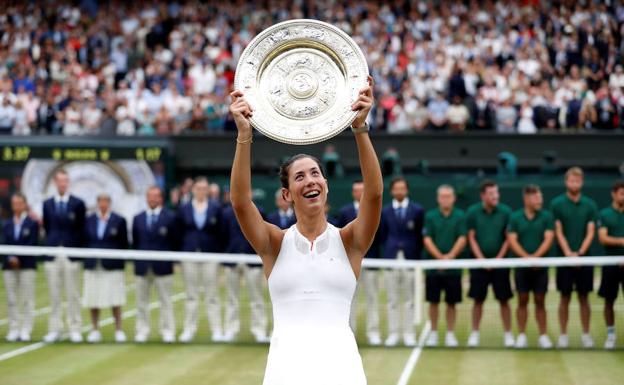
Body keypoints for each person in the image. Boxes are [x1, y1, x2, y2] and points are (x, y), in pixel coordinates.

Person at [229, 75, 382, 385]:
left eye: (316, 173)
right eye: (299, 177)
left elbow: (374, 194)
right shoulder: (274, 243)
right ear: (287, 195)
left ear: (325, 185)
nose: (311, 180)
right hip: (285, 373)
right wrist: (244, 136)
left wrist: (360, 128)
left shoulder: (350, 241)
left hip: (342, 372)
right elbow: (241, 201)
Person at [550, 167, 598, 348]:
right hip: (564, 259)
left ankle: (586, 335)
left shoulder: (590, 205)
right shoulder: (556, 204)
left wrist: (580, 254)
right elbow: (558, 231)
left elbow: (591, 231)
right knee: (564, 297)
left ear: (582, 182)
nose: (574, 184)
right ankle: (563, 335)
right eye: (571, 181)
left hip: (584, 259)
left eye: (577, 181)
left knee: (584, 297)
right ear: (566, 182)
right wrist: (569, 254)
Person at [466, 180, 514, 348]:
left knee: (504, 300)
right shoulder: (473, 212)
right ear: (483, 195)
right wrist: (482, 260)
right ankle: (474, 334)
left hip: (500, 265)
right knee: (478, 301)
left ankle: (508, 334)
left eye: (497, 193)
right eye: (492, 193)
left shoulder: (506, 212)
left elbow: (508, 238)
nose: (495, 196)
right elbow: (471, 237)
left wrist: (498, 260)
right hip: (480, 266)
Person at [177, 177, 225, 343]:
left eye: (204, 188)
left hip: (210, 255)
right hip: (189, 255)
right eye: (198, 188)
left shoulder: (216, 208)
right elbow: (179, 232)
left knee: (212, 295)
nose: (201, 191)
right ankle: (189, 330)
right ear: (193, 190)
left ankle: (217, 330)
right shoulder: (183, 208)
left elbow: (221, 232)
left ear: (208, 191)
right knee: (191, 294)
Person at [506, 185, 554, 349]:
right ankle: (521, 335)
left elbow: (548, 238)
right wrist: (526, 258)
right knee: (522, 300)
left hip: (540, 267)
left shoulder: (547, 216)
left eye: (540, 197)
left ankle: (543, 336)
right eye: (536, 197)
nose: (539, 200)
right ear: (526, 199)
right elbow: (512, 240)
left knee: (540, 300)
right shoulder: (515, 217)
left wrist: (536, 258)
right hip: (521, 267)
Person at [42, 169, 86, 343]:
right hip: (52, 253)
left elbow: (81, 228)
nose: (63, 184)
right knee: (54, 294)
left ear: (68, 183)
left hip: (71, 254)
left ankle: (75, 328)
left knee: (73, 293)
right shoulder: (47, 204)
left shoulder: (78, 204)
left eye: (65, 181)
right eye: (60, 181)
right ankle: (55, 329)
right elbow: (47, 226)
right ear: (55, 182)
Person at [379, 176, 424, 347]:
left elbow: (419, 235)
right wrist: (391, 247)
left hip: (410, 258)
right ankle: (393, 334)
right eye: (396, 188)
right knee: (391, 299)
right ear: (392, 191)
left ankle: (409, 334)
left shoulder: (417, 210)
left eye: (402, 188)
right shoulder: (385, 211)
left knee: (410, 299)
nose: (399, 191)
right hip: (391, 258)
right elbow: (382, 235)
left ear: (407, 190)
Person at [337, 180, 382, 345]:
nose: (360, 193)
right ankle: (349, 333)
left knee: (373, 298)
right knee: (349, 300)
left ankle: (373, 333)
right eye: (356, 191)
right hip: (348, 264)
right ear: (353, 193)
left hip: (371, 261)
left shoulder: (376, 211)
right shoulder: (344, 212)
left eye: (363, 190)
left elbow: (380, 235)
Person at [132, 186, 178, 343]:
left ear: (160, 198)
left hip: (163, 267)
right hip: (142, 267)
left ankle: (167, 331)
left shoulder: (170, 218)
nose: (152, 199)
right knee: (141, 302)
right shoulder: (138, 218)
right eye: (149, 196)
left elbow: (174, 241)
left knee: (166, 301)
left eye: (155, 196)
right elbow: (136, 242)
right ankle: (142, 331)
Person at [423, 185, 466, 347]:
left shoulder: (460, 216)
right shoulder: (431, 216)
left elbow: (462, 238)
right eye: (442, 196)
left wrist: (450, 257)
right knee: (433, 302)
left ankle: (450, 334)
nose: (445, 199)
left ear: (454, 198)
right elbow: (427, 239)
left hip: (453, 268)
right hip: (434, 268)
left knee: (451, 303)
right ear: (438, 198)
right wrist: (440, 258)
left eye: (448, 196)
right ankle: (433, 333)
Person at [221, 199, 269, 343]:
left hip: (252, 260)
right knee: (231, 298)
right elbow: (222, 235)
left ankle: (259, 330)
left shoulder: (259, 211)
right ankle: (231, 329)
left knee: (257, 298)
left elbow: (263, 234)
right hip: (232, 260)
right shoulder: (226, 213)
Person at [82, 194, 129, 343]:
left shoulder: (119, 220)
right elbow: (84, 240)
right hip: (93, 265)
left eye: (105, 202)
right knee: (93, 299)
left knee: (115, 299)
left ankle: (118, 330)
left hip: (112, 266)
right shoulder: (88, 220)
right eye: (100, 202)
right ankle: (95, 329)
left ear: (109, 203)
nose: (103, 204)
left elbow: (124, 244)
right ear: (97, 203)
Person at [2, 193, 38, 342]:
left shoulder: (32, 223)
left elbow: (32, 243)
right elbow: (3, 242)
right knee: (11, 298)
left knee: (27, 298)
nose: (16, 206)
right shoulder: (6, 224)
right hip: (9, 267)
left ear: (24, 204)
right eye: (14, 203)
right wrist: (10, 258)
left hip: (27, 266)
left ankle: (26, 329)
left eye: (19, 203)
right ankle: (14, 328)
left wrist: (20, 259)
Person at [597, 180, 624, 349]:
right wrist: (622, 241)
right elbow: (603, 238)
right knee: (609, 301)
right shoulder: (605, 214)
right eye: (622, 193)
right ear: (613, 194)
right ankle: (611, 335)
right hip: (611, 265)